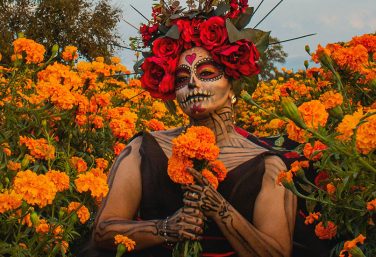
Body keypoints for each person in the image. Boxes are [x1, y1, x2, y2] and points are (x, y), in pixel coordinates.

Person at [82, 1, 325, 256]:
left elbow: (277, 252)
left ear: (233, 82)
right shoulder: (143, 149)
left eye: (207, 72)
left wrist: (219, 208)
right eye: (181, 78)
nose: (192, 85)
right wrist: (166, 228)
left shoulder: (268, 166)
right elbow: (103, 231)